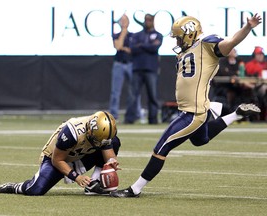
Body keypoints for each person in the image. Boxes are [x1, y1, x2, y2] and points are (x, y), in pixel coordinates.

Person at [110, 14, 262, 198]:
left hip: (193, 113)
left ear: (190, 34)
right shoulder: (187, 50)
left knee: (161, 148)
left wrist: (248, 27)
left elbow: (229, 43)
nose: (177, 40)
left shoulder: (207, 45)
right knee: (200, 140)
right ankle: (236, 114)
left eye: (179, 36)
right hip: (195, 109)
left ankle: (135, 189)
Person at [0, 111, 121, 196]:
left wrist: (111, 162)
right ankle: (16, 187)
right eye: (97, 140)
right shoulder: (71, 132)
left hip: (80, 155)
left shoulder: (100, 132)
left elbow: (108, 150)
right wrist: (76, 177)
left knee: (115, 142)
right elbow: (57, 160)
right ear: (89, 130)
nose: (100, 144)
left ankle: (93, 183)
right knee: (36, 190)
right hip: (56, 159)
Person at [124, 13, 163, 124]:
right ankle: (129, 119)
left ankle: (153, 119)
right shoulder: (137, 35)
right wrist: (147, 46)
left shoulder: (158, 35)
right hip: (137, 68)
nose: (148, 22)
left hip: (151, 69)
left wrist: (141, 45)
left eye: (150, 20)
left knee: (152, 95)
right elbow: (132, 48)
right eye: (146, 20)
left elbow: (154, 48)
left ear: (153, 21)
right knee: (132, 95)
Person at [109, 14, 142, 122]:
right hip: (119, 64)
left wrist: (125, 47)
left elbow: (134, 49)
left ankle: (137, 113)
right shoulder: (116, 35)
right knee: (115, 91)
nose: (123, 22)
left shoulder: (134, 35)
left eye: (125, 20)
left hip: (131, 64)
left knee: (134, 91)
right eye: (121, 20)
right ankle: (114, 115)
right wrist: (123, 32)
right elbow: (118, 46)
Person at [214, 48, 256, 115]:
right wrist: (235, 74)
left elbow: (242, 72)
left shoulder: (239, 61)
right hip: (224, 85)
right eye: (231, 50)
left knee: (247, 91)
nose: (233, 52)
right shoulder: (222, 61)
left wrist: (235, 74)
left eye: (234, 50)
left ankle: (247, 113)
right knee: (231, 91)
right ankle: (230, 112)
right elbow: (224, 72)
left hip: (238, 85)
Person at [245, 46, 267, 120]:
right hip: (254, 88)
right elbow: (246, 79)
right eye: (258, 54)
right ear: (254, 55)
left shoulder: (265, 64)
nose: (260, 56)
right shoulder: (249, 65)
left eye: (261, 54)